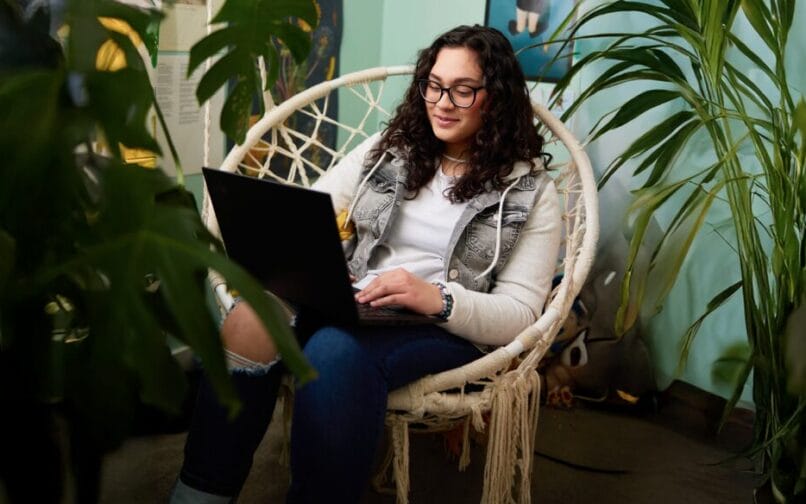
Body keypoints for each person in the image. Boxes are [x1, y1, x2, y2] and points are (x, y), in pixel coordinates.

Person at [170, 24, 562, 503]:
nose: (441, 102)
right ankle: (198, 495)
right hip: (356, 298)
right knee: (251, 317)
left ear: (496, 98)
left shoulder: (532, 193)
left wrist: (435, 299)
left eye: (463, 91)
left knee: (333, 353)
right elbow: (310, 209)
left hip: (443, 326)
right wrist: (314, 260)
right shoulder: (390, 151)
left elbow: (522, 314)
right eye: (434, 86)